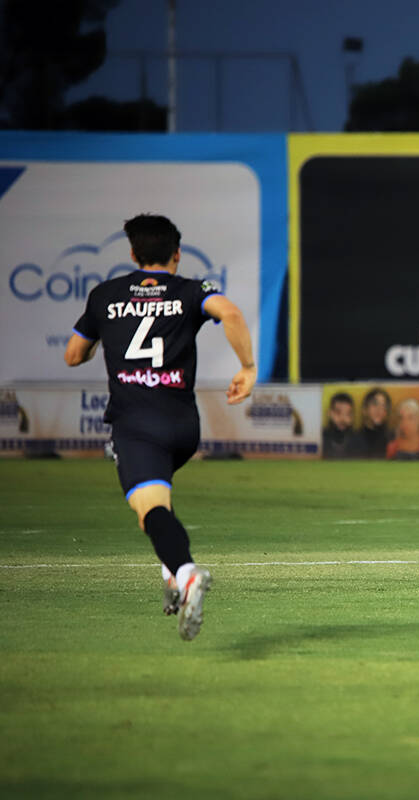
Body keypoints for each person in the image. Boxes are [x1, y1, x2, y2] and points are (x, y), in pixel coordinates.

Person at [63, 214, 256, 640]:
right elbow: (231, 313)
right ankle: (171, 571)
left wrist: (99, 339)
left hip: (136, 425)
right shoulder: (191, 290)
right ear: (177, 254)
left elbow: (73, 355)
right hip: (184, 427)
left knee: (150, 508)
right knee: (153, 510)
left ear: (133, 254)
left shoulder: (105, 295)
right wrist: (247, 367)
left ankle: (185, 574)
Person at [323, 392, 365, 459]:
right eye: (338, 413)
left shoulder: (359, 441)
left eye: (348, 414)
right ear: (330, 413)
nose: (343, 419)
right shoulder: (320, 438)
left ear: (352, 416)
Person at [360, 387, 392, 458]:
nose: (379, 409)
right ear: (364, 409)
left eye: (384, 406)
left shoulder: (392, 440)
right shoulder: (353, 440)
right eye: (375, 404)